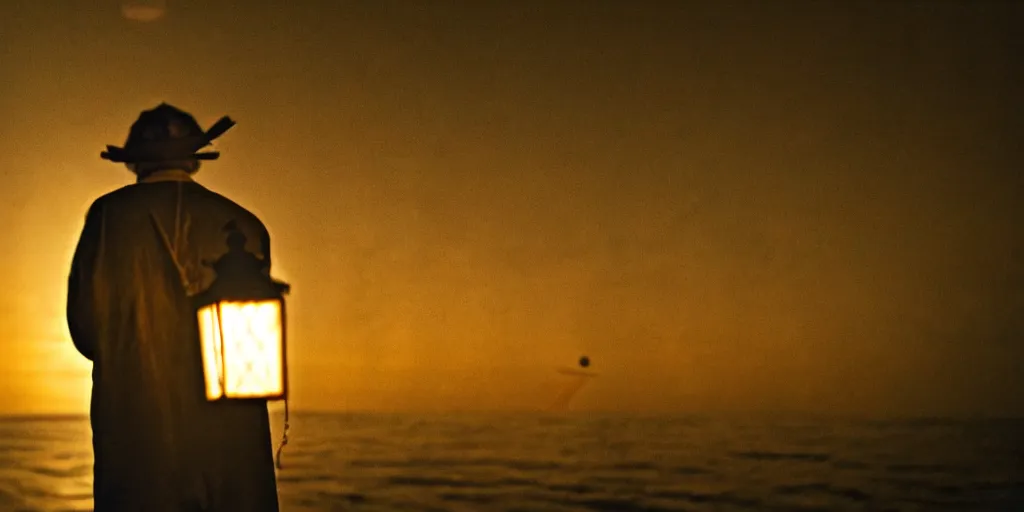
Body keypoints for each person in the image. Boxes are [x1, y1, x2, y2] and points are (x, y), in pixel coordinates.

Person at [67, 103, 280, 511]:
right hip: (234, 436)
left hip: (139, 427)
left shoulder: (109, 216)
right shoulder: (247, 225)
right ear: (193, 158)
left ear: (134, 163)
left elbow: (86, 329)